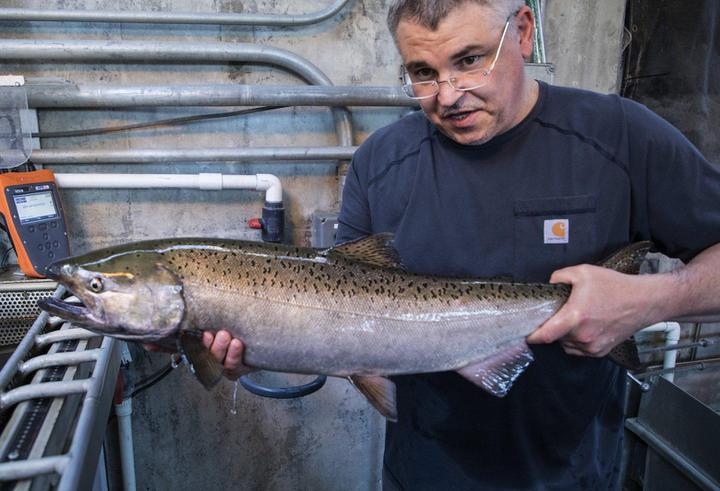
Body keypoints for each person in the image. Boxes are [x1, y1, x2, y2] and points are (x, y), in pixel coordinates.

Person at [206, 0, 720, 489]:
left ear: (521, 32)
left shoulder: (620, 135)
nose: (447, 95)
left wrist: (649, 301)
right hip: (421, 473)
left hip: (574, 474)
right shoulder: (379, 162)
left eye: (469, 61)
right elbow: (348, 317)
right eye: (423, 73)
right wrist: (266, 338)